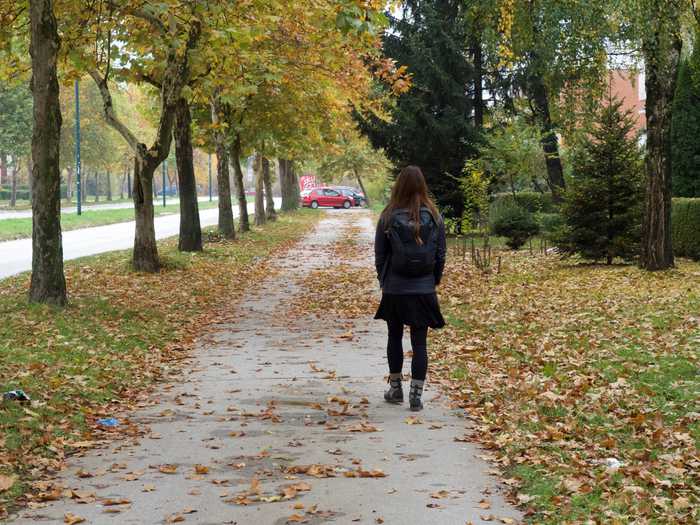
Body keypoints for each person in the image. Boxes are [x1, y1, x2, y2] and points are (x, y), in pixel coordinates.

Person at [374, 166, 446, 411]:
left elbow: (380, 255)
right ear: (422, 186)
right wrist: (432, 281)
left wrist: (384, 282)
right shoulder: (435, 216)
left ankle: (395, 390)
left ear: (399, 186)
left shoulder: (388, 215)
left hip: (395, 288)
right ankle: (416, 394)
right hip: (423, 288)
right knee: (420, 343)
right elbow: (440, 255)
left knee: (394, 336)